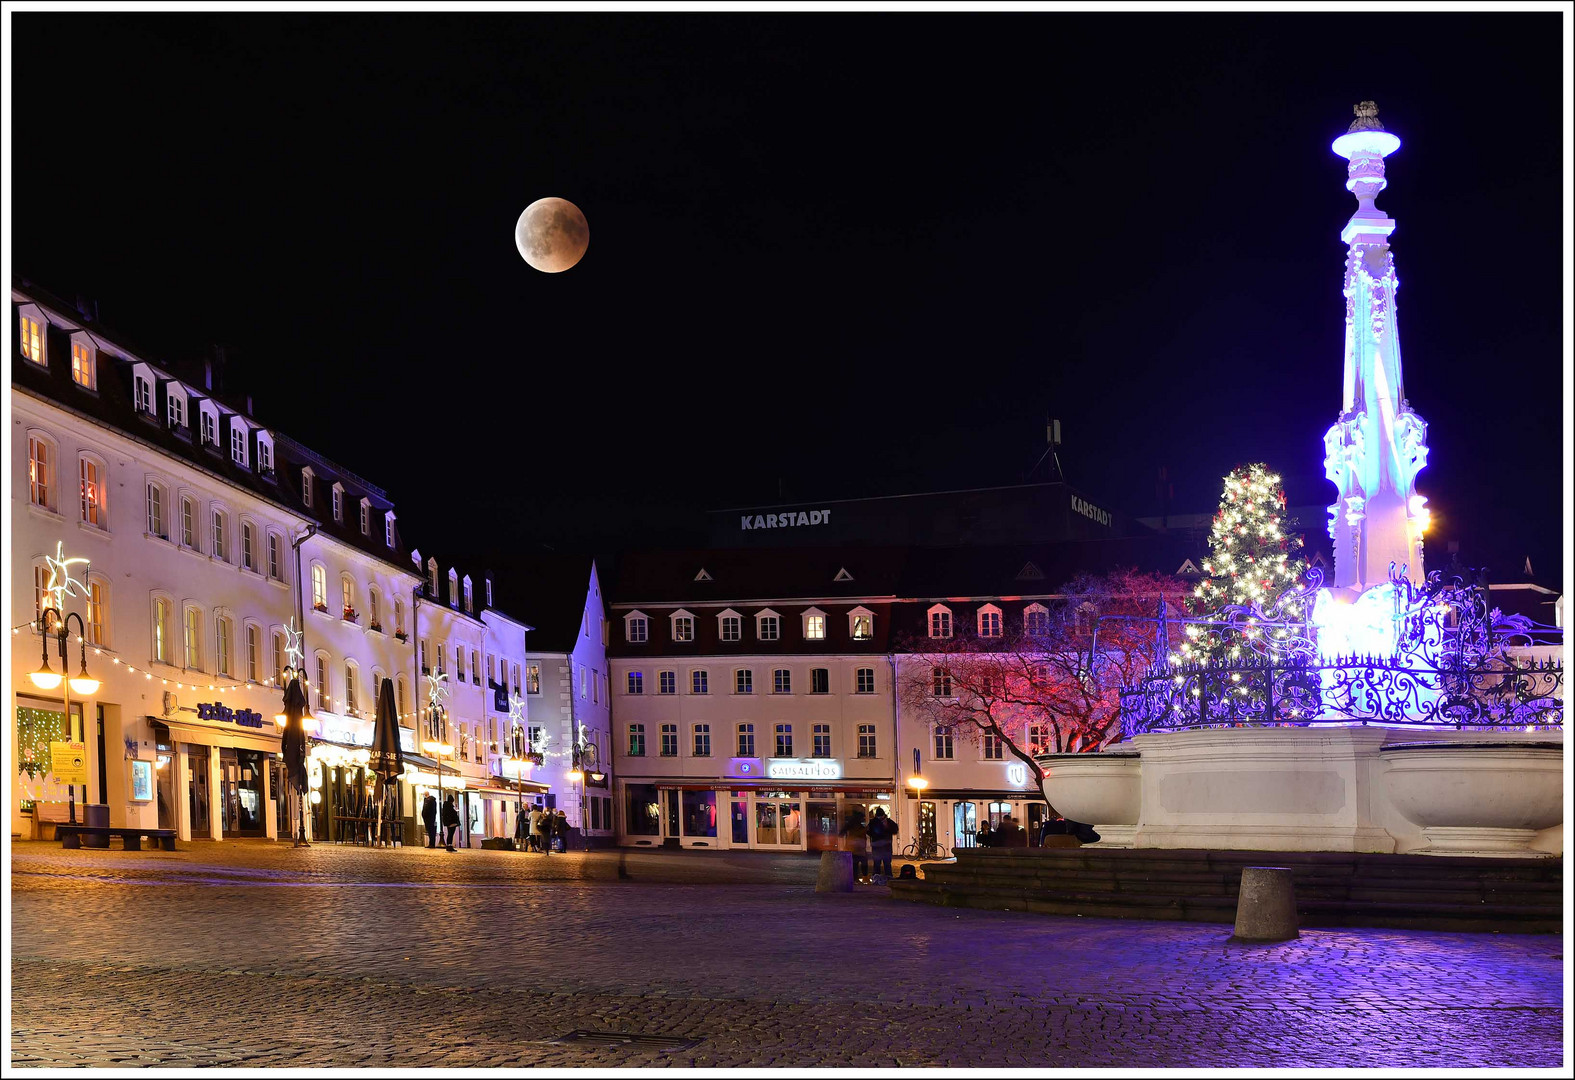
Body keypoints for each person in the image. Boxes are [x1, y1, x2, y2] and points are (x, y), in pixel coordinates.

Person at [867, 807, 897, 882]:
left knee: (882, 864)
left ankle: (882, 878)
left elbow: (894, 830)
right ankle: (883, 878)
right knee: (882, 864)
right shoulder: (877, 822)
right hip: (883, 846)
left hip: (880, 846)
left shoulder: (876, 822)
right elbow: (894, 830)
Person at [841, 808, 869, 882]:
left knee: (855, 864)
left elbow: (841, 833)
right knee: (862, 863)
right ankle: (863, 878)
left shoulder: (850, 825)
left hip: (853, 848)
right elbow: (859, 833)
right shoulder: (857, 826)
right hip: (857, 848)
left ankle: (856, 878)